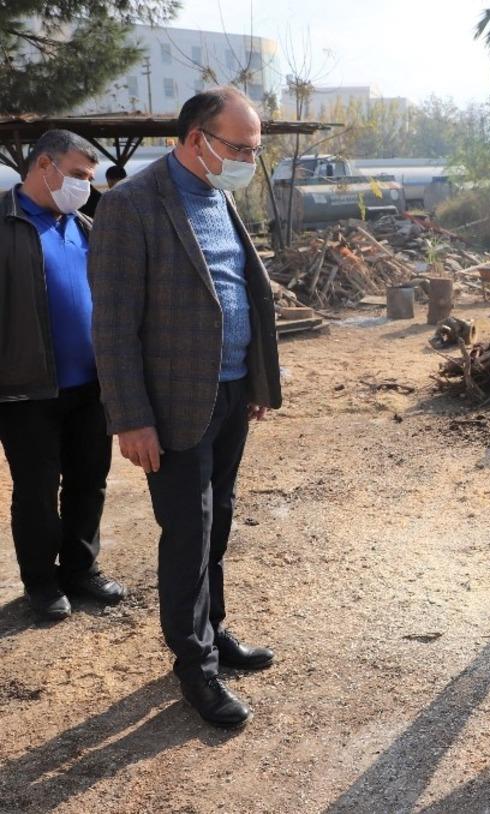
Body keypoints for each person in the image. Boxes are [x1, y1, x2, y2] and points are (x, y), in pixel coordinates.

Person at [89, 87, 282, 728]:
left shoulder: (218, 195)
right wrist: (130, 418)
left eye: (254, 149)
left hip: (229, 394)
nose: (247, 160)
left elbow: (238, 291)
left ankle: (214, 629)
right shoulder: (130, 206)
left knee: (218, 520)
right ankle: (193, 667)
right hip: (170, 407)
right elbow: (113, 326)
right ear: (196, 138)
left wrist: (252, 380)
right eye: (239, 147)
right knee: (188, 535)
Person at [0, 129, 127, 621]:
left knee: (89, 481)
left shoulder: (86, 226)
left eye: (89, 179)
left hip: (91, 385)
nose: (84, 187)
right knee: (36, 489)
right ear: (44, 166)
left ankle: (81, 569)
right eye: (77, 175)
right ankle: (40, 581)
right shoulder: (5, 221)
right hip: (25, 388)